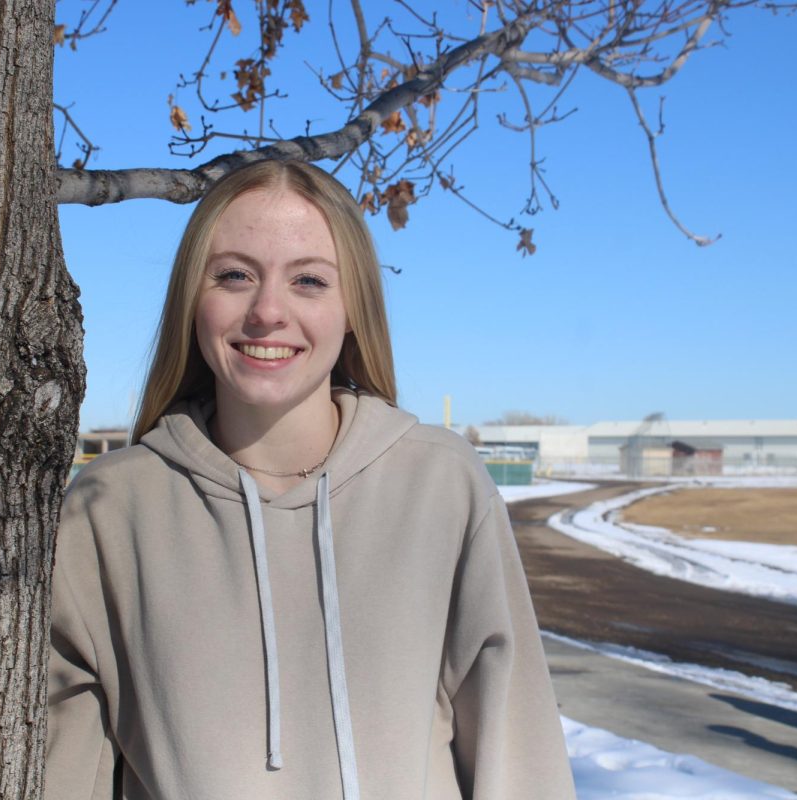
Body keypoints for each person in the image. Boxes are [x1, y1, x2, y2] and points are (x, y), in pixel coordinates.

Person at [45, 159, 576, 799]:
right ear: (193, 300)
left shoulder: (442, 484)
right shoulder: (108, 510)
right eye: (234, 275)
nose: (268, 310)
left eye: (309, 281)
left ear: (354, 308)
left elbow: (516, 750)